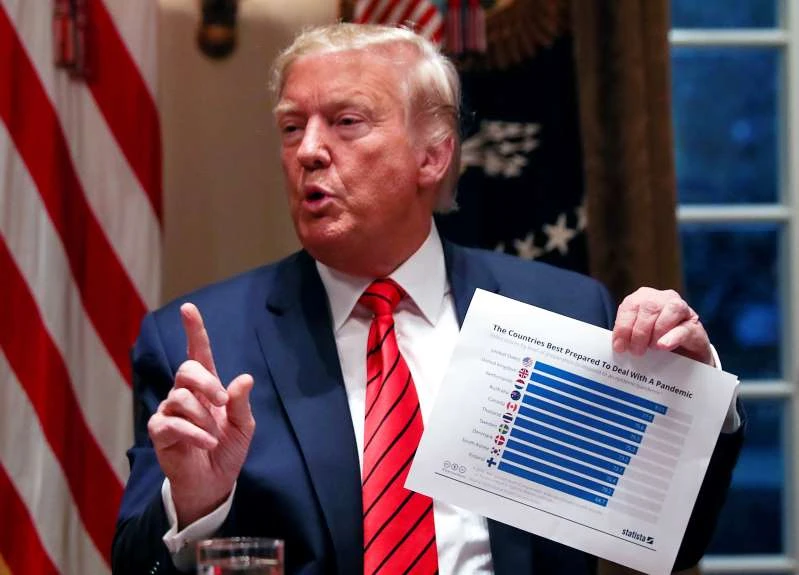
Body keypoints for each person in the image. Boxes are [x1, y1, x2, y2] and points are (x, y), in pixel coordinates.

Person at [112, 23, 743, 575]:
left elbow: (674, 542)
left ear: (433, 156)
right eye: (291, 127)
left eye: (347, 122)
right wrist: (194, 505)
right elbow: (136, 563)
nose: (308, 151)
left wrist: (693, 391)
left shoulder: (561, 312)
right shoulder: (204, 341)